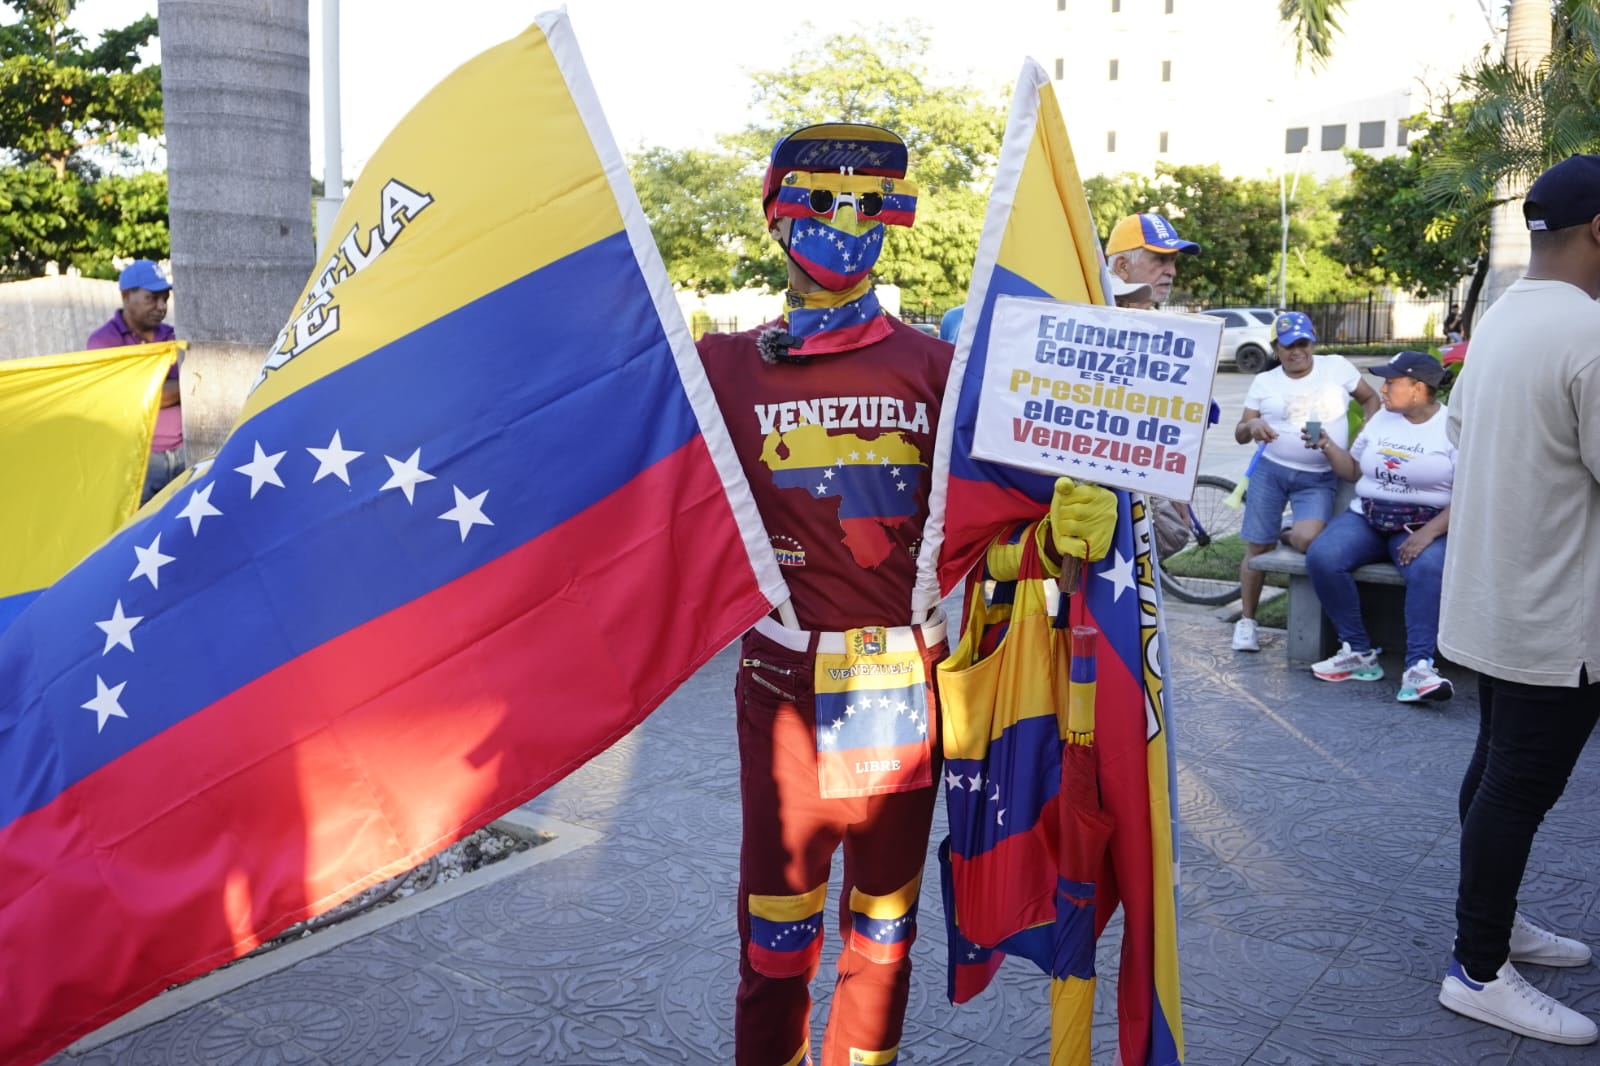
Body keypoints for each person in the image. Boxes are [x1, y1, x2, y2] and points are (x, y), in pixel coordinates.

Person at [695, 121, 1118, 1066]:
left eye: (872, 204)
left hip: (898, 676)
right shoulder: (720, 368)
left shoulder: (940, 370)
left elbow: (985, 532)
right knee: (775, 933)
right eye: (821, 201)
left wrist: (1058, 528)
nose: (848, 222)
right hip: (780, 681)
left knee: (882, 932)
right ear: (776, 215)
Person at [1434, 154, 1600, 1046]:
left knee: (1498, 774)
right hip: (1559, 619)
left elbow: (1461, 427)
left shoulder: (1499, 321)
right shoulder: (1590, 333)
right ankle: (1478, 966)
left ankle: (1495, 928)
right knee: (1517, 790)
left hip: (1498, 601)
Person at [1303, 350, 1454, 701]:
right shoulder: (1381, 419)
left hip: (1425, 522)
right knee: (1323, 556)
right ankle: (1358, 651)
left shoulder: (1451, 428)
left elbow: (1468, 494)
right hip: (1369, 516)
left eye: (1391, 382)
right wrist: (1326, 444)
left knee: (1428, 566)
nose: (1381, 389)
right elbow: (1353, 472)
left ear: (1418, 388)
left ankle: (1420, 667)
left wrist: (1429, 534)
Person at [1231, 312, 1379, 652]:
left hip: (1318, 477)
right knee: (1257, 546)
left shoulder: (1336, 367)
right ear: (1275, 349)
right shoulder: (1265, 382)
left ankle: (1288, 531)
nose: (1297, 351)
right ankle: (1247, 621)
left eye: (1303, 343)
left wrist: (1362, 437)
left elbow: (1371, 399)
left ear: (1313, 342)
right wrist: (1252, 428)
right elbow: (1241, 432)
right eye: (1287, 346)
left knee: (1307, 539)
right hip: (1271, 471)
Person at [86, 259, 183, 501]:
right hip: (138, 461)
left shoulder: (174, 336)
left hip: (184, 454)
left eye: (165, 298)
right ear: (126, 296)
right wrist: (188, 385)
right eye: (152, 298)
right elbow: (133, 396)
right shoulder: (104, 342)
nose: (161, 306)